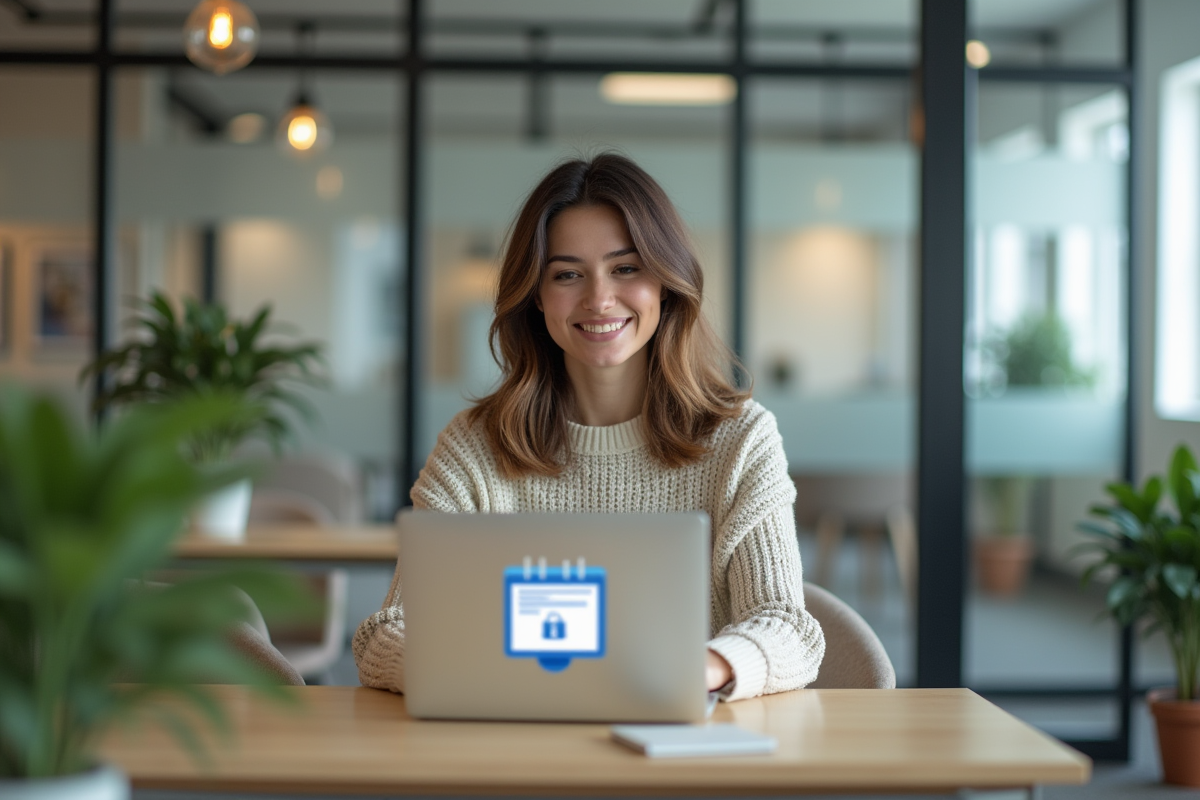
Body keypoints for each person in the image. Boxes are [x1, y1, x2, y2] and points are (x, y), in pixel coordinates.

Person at [353, 153, 824, 701]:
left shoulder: (740, 439)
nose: (599, 298)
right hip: (516, 757)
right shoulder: (474, 446)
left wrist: (697, 668)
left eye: (626, 268)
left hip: (681, 762)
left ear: (667, 283)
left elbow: (788, 627)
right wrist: (491, 677)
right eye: (568, 274)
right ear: (536, 296)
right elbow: (386, 634)